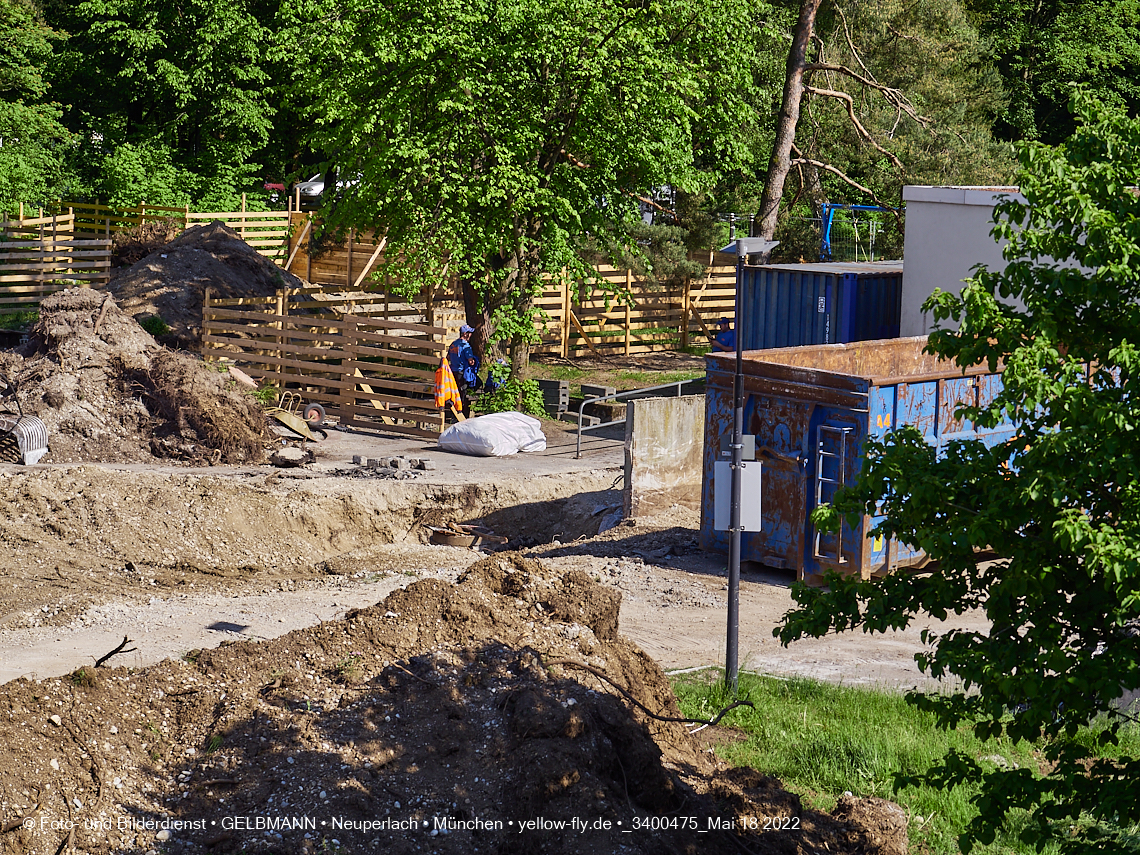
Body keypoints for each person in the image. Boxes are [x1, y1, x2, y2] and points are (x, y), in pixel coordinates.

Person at [447, 324, 481, 416]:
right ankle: (461, 413)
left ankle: (452, 412)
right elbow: (470, 361)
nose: (471, 335)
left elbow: (448, 357)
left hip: (452, 372)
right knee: (463, 393)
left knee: (454, 391)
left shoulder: (453, 344)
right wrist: (475, 361)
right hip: (461, 372)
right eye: (470, 333)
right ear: (465, 334)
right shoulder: (466, 346)